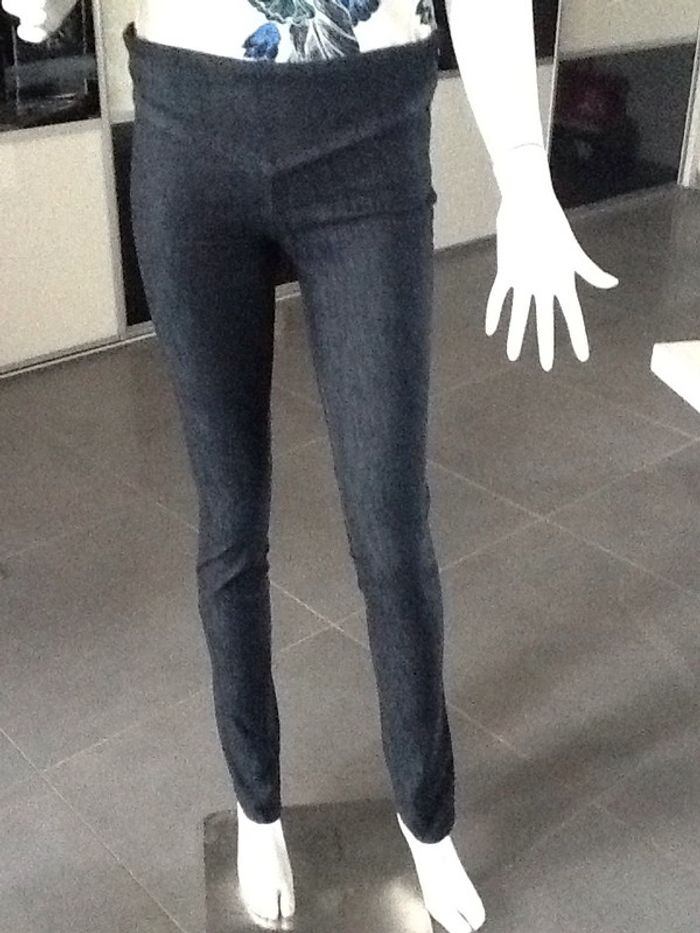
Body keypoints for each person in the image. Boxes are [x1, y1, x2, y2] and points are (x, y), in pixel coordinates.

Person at [4, 1, 618, 930]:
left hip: (369, 135)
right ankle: (256, 807)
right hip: (189, 127)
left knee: (392, 530)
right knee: (230, 518)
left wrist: (526, 169)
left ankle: (427, 816)